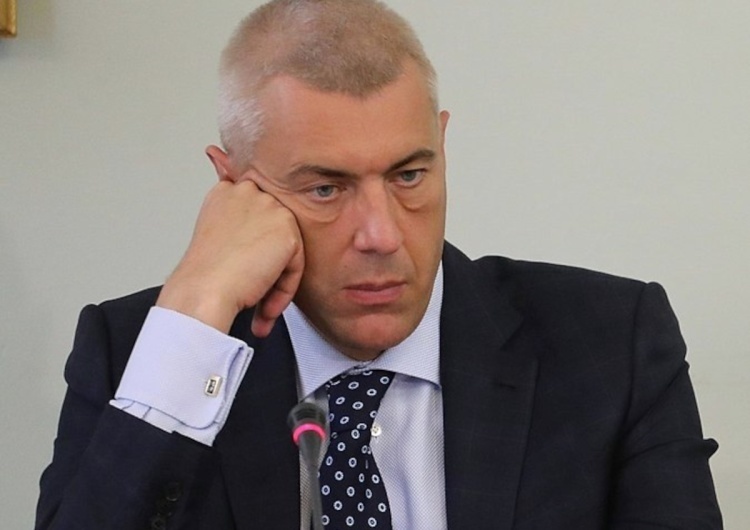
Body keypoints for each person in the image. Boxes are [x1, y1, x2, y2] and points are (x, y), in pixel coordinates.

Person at [36, 0, 722, 528]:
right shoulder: (139, 355)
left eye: (409, 175)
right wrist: (195, 310)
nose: (382, 235)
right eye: (325, 189)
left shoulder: (612, 344)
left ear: (442, 147)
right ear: (235, 187)